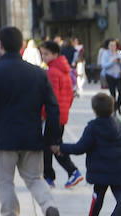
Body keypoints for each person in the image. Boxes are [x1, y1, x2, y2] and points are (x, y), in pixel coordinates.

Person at [0, 26, 64, 216]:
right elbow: (53, 108)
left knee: (5, 181)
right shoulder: (38, 73)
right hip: (31, 136)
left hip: (4, 137)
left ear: (1, 46)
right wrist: (53, 138)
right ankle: (49, 207)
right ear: (23, 45)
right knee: (35, 179)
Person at [59, 92, 121, 216]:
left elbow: (80, 148)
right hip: (119, 172)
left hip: (100, 173)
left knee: (97, 199)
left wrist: (61, 147)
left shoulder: (92, 127)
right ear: (112, 108)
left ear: (94, 110)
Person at [39, 40, 83, 189]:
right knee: (53, 144)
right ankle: (58, 174)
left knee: (50, 146)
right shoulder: (64, 70)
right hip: (61, 115)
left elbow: (50, 98)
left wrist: (43, 114)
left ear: (55, 54)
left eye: (46, 54)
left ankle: (61, 174)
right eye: (42, 53)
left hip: (52, 116)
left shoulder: (52, 72)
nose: (43, 57)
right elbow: (70, 95)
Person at [101, 39, 121, 114]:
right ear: (108, 46)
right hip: (110, 76)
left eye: (114, 45)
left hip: (118, 76)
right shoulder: (105, 54)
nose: (113, 47)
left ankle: (117, 106)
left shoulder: (118, 53)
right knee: (113, 94)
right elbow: (104, 65)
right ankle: (114, 109)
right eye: (111, 45)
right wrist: (112, 61)